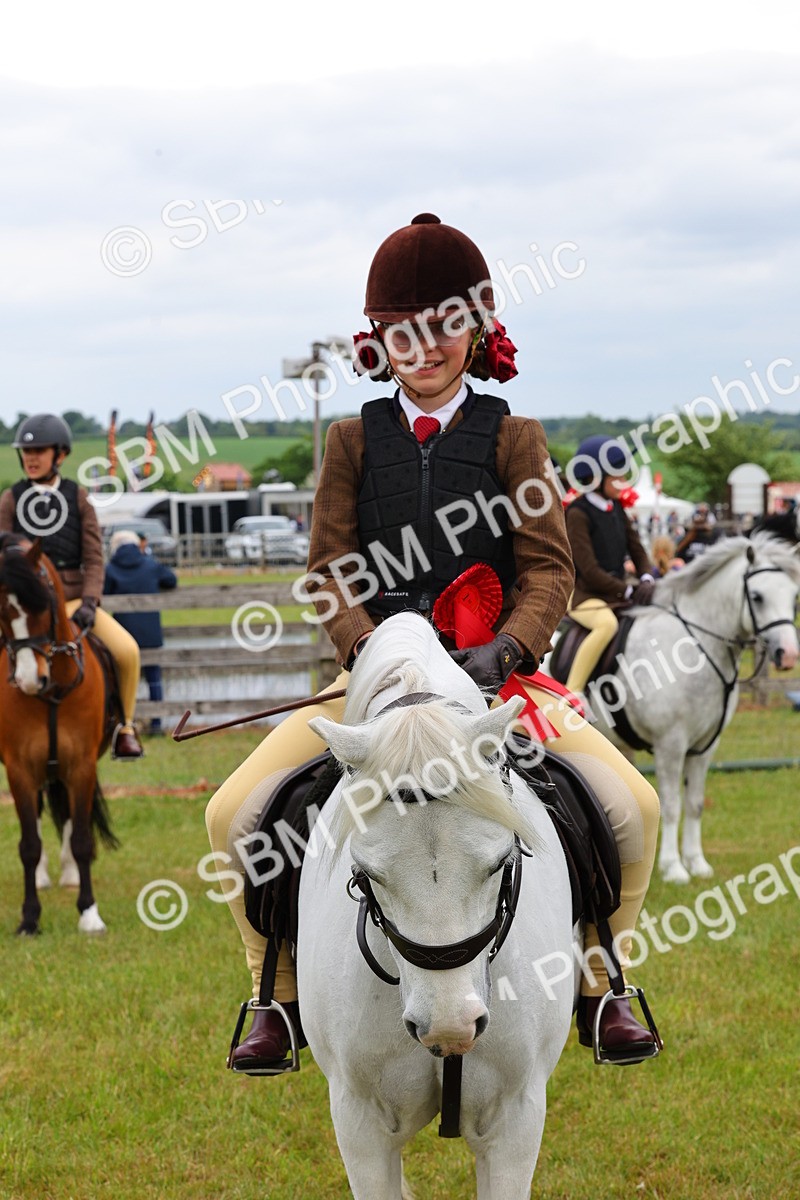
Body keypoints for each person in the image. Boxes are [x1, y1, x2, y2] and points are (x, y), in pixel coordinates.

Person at [205, 213, 661, 1071]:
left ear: (475, 330)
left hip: (495, 686)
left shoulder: (514, 438)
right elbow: (328, 570)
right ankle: (278, 997)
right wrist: (368, 651)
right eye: (403, 331)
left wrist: (507, 651)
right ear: (380, 340)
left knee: (634, 807)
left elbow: (549, 571)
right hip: (374, 690)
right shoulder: (350, 441)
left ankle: (602, 988)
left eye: (444, 326)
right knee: (231, 816)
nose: (424, 348)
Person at [0, 414, 144, 758]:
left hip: (73, 602)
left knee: (127, 651)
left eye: (39, 451)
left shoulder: (78, 498)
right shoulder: (10, 499)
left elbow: (93, 558)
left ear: (60, 454)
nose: (31, 458)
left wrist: (90, 602)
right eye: (26, 451)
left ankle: (124, 728)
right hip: (25, 609)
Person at [563, 435, 656, 698]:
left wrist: (646, 577)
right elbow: (590, 571)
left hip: (613, 591)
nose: (624, 482)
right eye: (617, 476)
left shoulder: (615, 507)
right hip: (584, 594)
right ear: (595, 479)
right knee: (607, 625)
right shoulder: (577, 514)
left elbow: (637, 548)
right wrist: (627, 590)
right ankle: (573, 692)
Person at [103, 530, 178, 735]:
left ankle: (126, 722)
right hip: (150, 633)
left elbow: (104, 595)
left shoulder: (110, 569)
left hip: (123, 635)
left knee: (124, 679)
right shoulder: (150, 565)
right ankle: (156, 723)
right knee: (154, 679)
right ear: (137, 545)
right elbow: (171, 580)